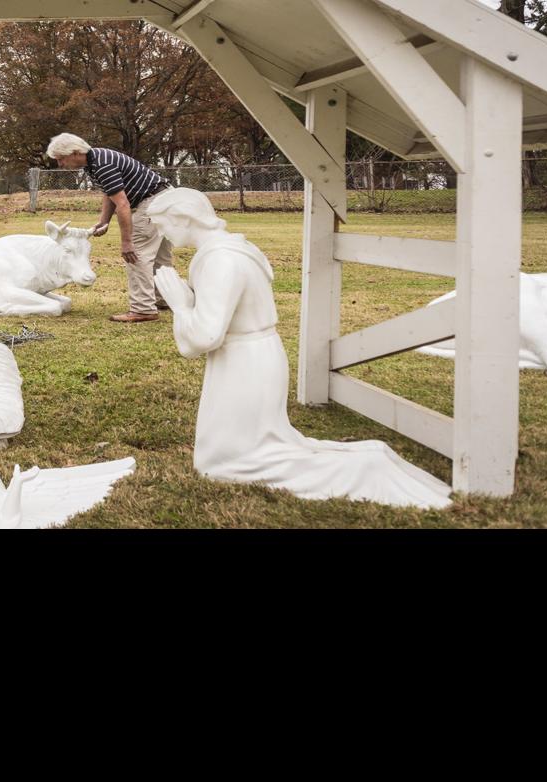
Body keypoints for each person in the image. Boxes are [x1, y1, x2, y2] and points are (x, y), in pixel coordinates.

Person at [148, 188, 453, 509]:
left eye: (163, 225)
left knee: (233, 462)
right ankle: (369, 458)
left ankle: (368, 468)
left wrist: (181, 306)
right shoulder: (232, 248)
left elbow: (205, 337)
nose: (163, 234)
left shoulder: (220, 260)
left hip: (244, 363)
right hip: (249, 356)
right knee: (232, 453)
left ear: (184, 218)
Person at [45, 133, 173, 323]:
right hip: (166, 198)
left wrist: (127, 242)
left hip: (152, 202)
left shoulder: (102, 165)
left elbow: (123, 204)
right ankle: (166, 298)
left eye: (61, 159)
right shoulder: (94, 161)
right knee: (160, 257)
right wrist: (103, 221)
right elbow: (109, 192)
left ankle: (143, 308)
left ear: (75, 152)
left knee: (136, 254)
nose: (60, 164)